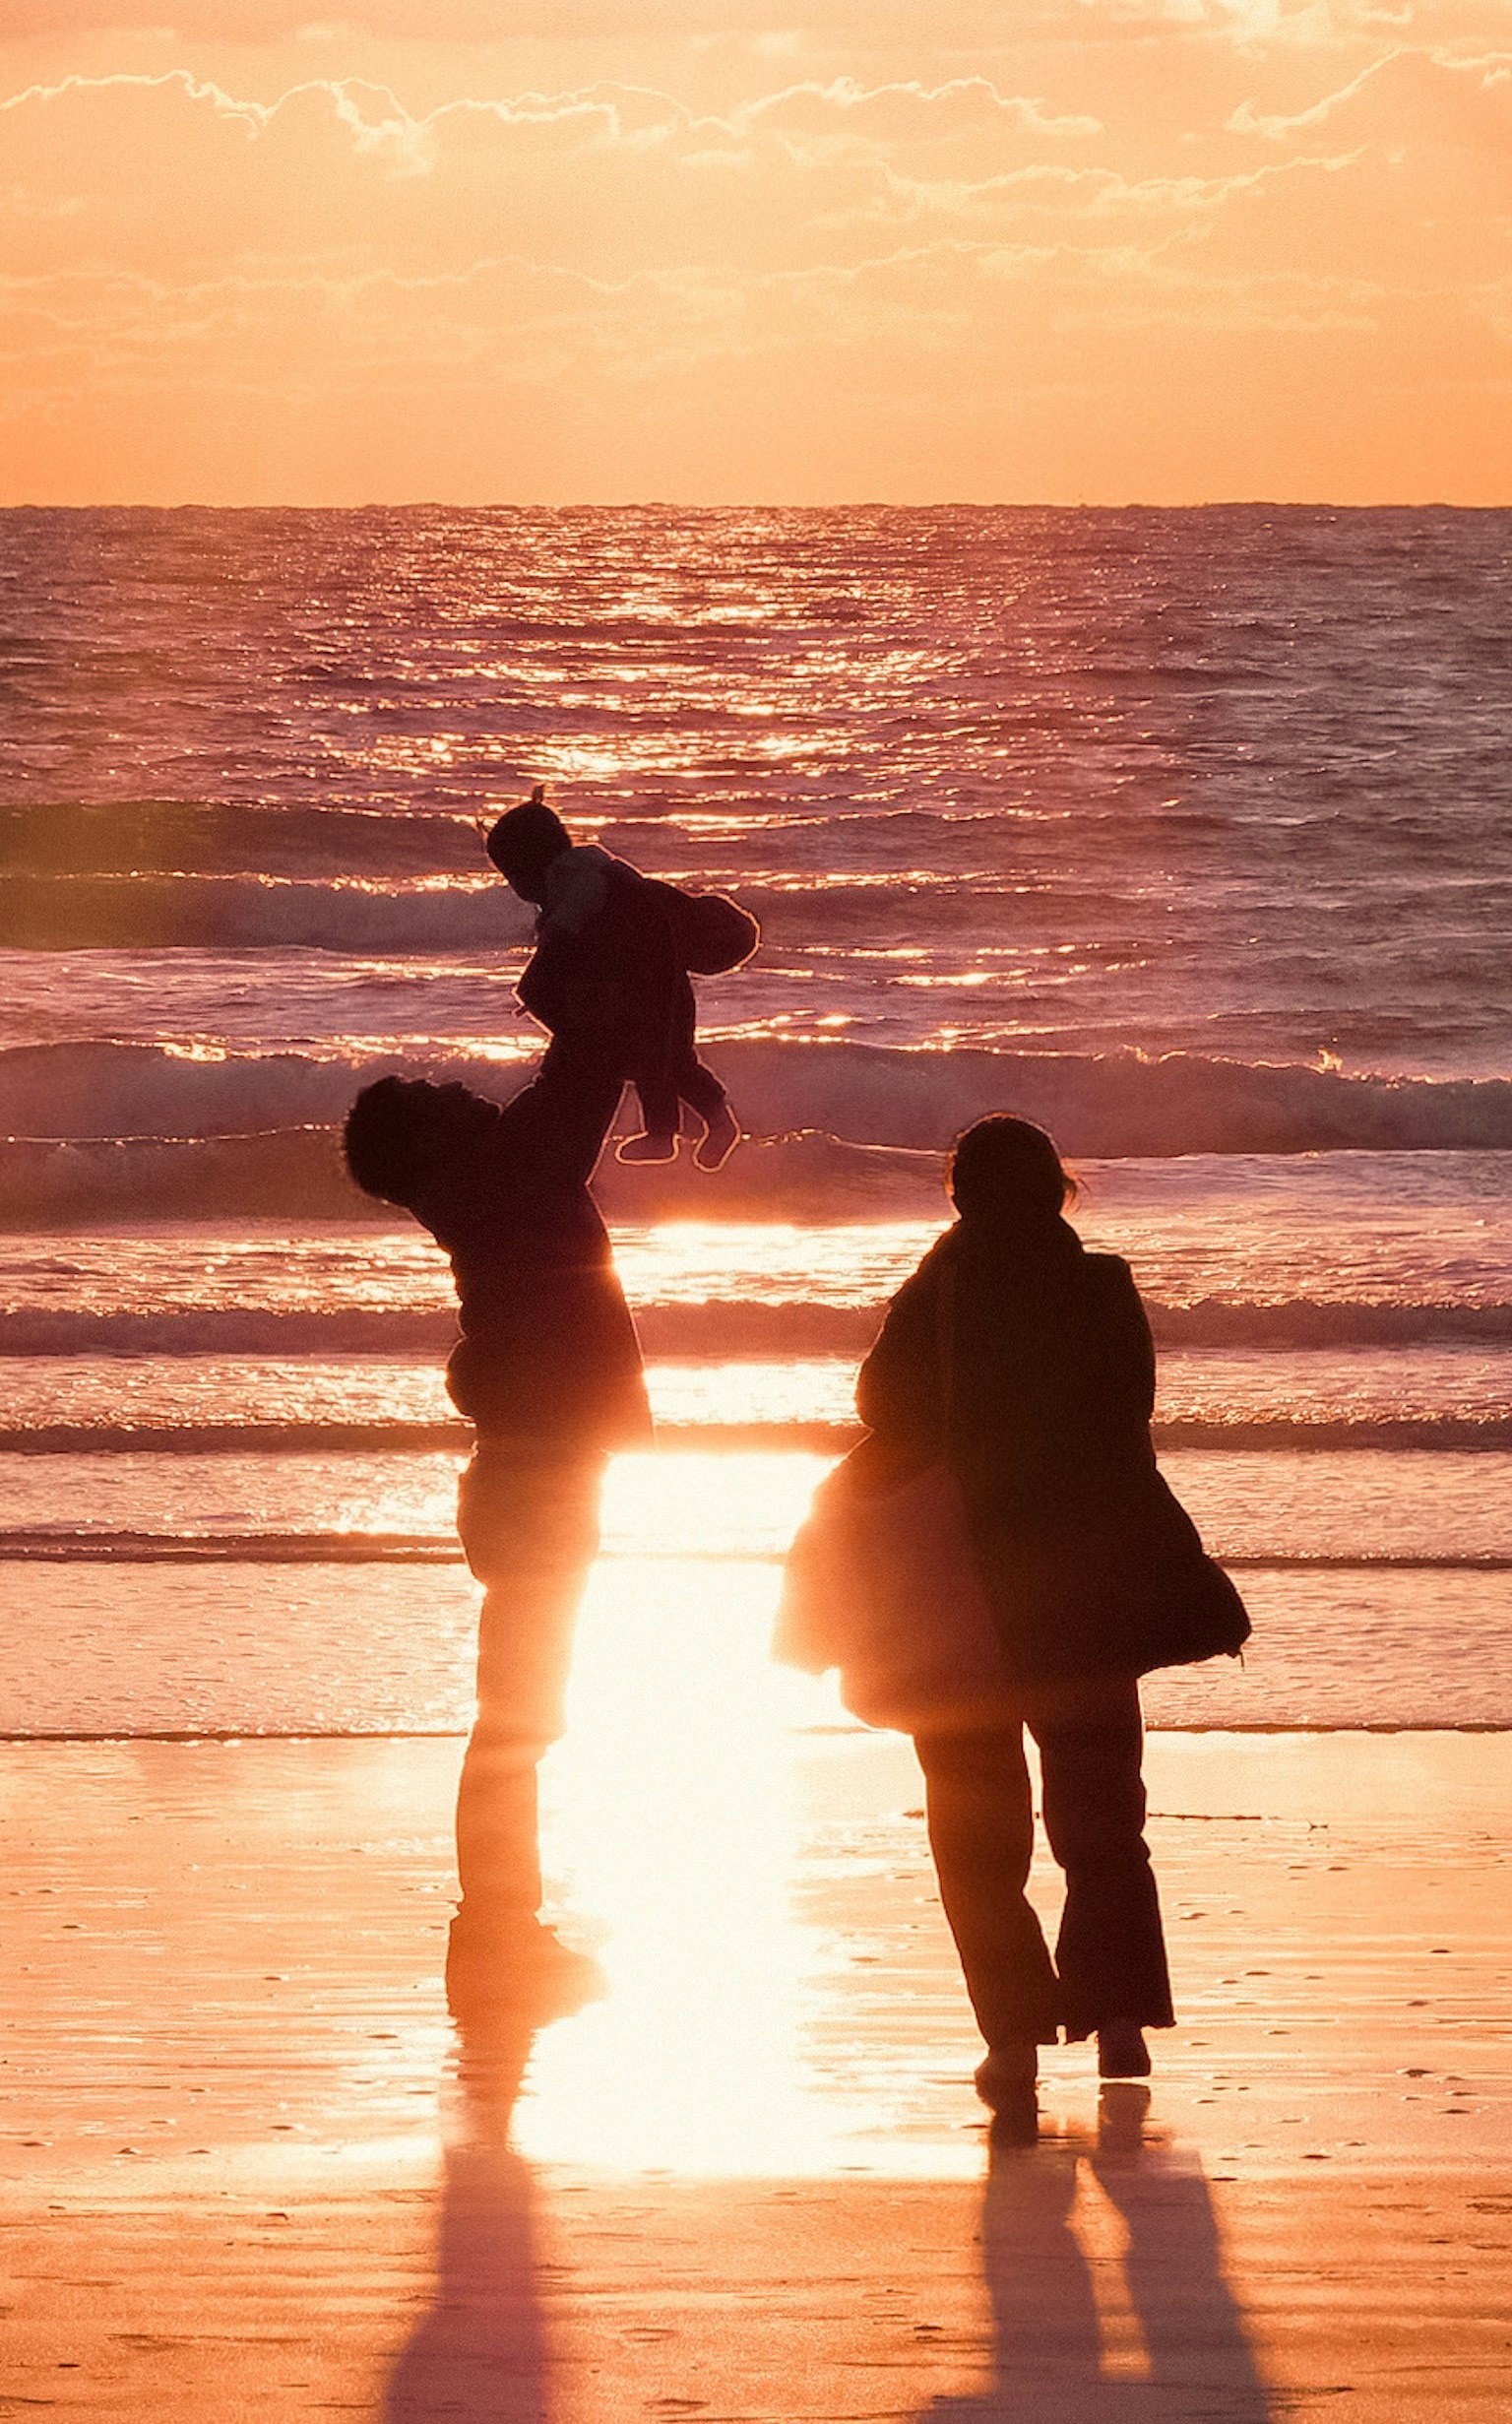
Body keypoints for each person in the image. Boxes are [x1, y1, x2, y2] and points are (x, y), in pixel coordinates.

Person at [853, 1115, 1244, 2133]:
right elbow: (1130, 1419)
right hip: (1084, 1593)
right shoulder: (1101, 1285)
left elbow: (877, 1406)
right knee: (1105, 1817)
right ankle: (1119, 2020)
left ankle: (1012, 2045)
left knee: (977, 1833)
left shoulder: (936, 1292)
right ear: (1059, 1191)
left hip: (960, 1600)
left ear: (959, 1197)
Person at [342, 1061, 651, 2021]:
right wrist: (603, 954)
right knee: (518, 1719)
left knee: (518, 1715)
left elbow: (580, 1076)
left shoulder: (490, 1180)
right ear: (432, 1143)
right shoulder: (500, 1177)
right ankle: (494, 1934)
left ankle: (498, 1929)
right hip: (534, 1479)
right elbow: (583, 1076)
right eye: (442, 1098)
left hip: (529, 1474)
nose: (465, 1090)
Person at [483, 786, 751, 1171]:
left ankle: (666, 1134)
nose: (516, 888)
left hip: (647, 973)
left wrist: (553, 947)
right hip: (653, 969)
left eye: (511, 876)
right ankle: (705, 1125)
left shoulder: (571, 876)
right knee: (669, 1056)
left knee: (655, 1053)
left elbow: (574, 920)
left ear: (527, 868)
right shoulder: (595, 864)